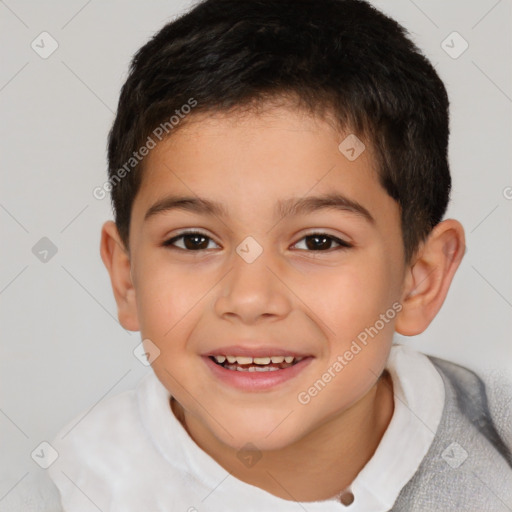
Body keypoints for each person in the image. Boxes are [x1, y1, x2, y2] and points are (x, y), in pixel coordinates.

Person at [43, 0, 512, 510]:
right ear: (127, 276)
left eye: (318, 242)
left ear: (420, 279)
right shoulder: (73, 487)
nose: (249, 299)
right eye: (194, 241)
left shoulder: (494, 445)